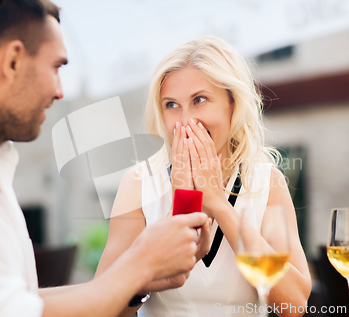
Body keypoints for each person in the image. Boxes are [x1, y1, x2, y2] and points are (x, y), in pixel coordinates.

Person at [0, 1, 212, 316]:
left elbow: (19, 302)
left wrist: (142, 276)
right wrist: (139, 264)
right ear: (13, 61)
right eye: (56, 67)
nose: (60, 91)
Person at [96, 36, 312, 317]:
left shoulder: (267, 183)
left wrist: (218, 204)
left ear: (232, 104)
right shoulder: (138, 184)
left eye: (200, 100)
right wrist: (182, 206)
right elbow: (103, 308)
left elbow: (293, 305)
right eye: (171, 105)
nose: (185, 121)